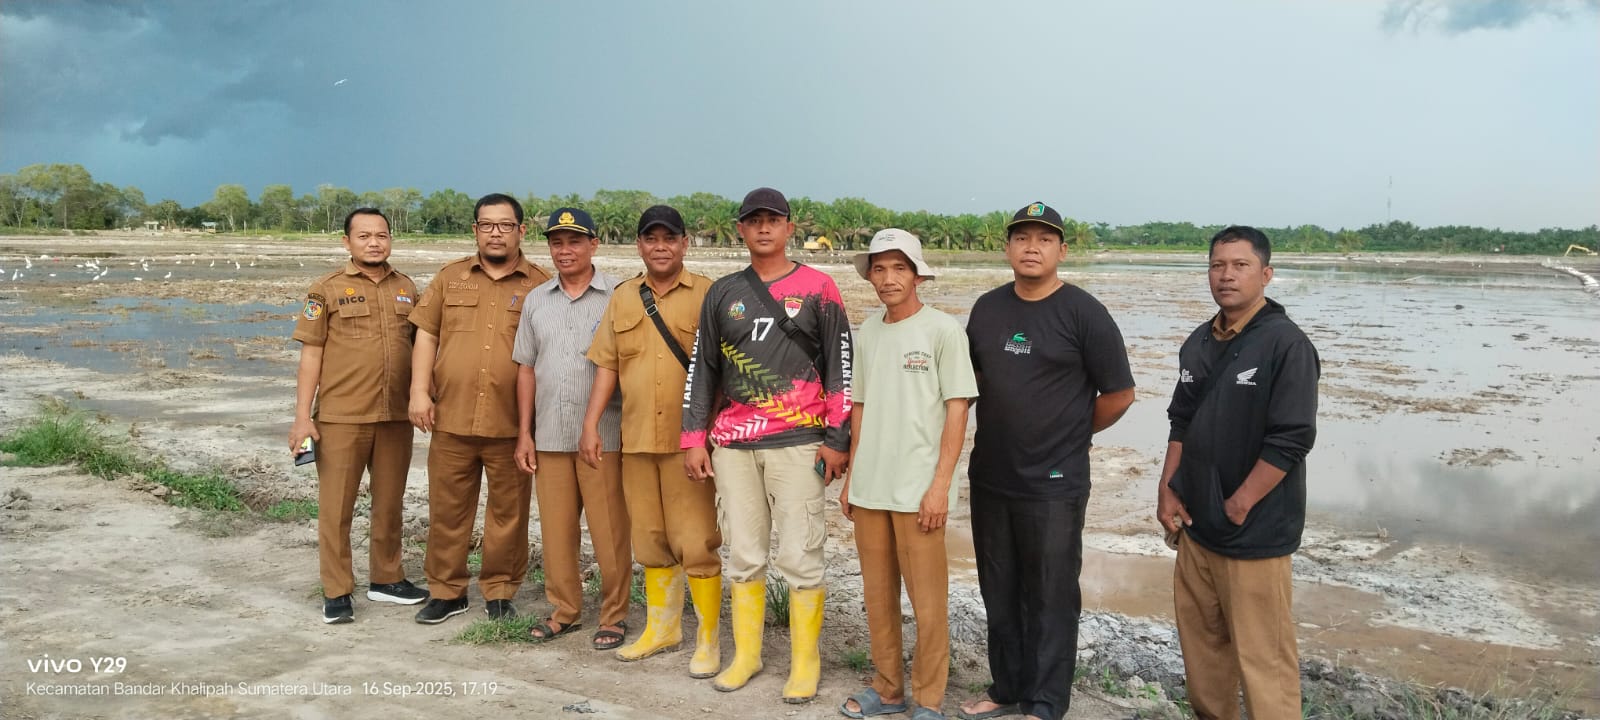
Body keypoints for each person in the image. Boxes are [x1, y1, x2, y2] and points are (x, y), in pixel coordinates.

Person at [957, 202, 1136, 720]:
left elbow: (1120, 394)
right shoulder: (987, 309)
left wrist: (1071, 433)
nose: (1031, 247)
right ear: (1007, 246)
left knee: (1051, 594)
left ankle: (1046, 702)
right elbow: (970, 387)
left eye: (1044, 238)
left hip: (1055, 483)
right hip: (991, 476)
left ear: (1061, 249)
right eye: (1022, 237)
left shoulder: (1084, 312)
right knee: (999, 588)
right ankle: (1007, 687)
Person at [680, 187, 852, 702]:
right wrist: (694, 439)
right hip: (732, 445)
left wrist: (838, 438)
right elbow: (703, 369)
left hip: (800, 443)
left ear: (789, 228)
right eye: (752, 220)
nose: (763, 228)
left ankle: (805, 665)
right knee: (743, 554)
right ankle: (747, 655)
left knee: (801, 554)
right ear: (740, 229)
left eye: (772, 220)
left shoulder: (819, 287)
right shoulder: (722, 292)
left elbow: (842, 368)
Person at [1157, 225, 1319, 720]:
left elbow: (1292, 437)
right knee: (1203, 654)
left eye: (1240, 265)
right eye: (1217, 265)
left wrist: (1241, 502)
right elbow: (1181, 420)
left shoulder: (1286, 345)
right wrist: (1168, 490)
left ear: (1265, 274)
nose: (1226, 275)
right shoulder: (1198, 341)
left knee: (1264, 661)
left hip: (1255, 536)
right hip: (1196, 530)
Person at [839, 229, 977, 720]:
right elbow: (859, 408)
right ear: (870, 276)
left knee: (928, 603)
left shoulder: (943, 331)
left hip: (920, 491)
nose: (889, 278)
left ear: (918, 274)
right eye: (880, 269)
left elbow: (957, 412)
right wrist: (852, 476)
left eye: (900, 268)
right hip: (871, 487)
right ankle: (889, 689)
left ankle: (930, 699)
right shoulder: (868, 331)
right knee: (878, 598)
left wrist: (940, 485)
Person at [581, 205, 723, 672]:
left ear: (684, 243)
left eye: (669, 238)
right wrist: (591, 424)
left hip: (690, 444)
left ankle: (708, 639)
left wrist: (706, 435)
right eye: (651, 238)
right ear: (639, 245)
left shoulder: (709, 294)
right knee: (650, 540)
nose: (660, 246)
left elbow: (723, 373)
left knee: (697, 541)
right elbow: (608, 363)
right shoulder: (623, 297)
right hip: (636, 440)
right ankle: (662, 629)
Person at [406, 193, 551, 624]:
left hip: (512, 425)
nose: (495, 233)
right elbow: (426, 335)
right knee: (448, 510)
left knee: (508, 514)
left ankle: (500, 590)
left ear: (521, 231)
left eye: (505, 225)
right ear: (474, 230)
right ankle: (447, 591)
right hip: (451, 418)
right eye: (486, 225)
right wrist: (418, 390)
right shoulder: (451, 278)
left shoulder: (540, 285)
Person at [289, 207, 428, 624]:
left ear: (391, 239)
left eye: (381, 235)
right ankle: (337, 590)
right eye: (364, 236)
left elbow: (422, 346)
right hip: (341, 416)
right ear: (346, 242)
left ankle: (387, 578)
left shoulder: (406, 287)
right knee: (337, 508)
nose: (374, 243)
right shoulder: (326, 290)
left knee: (390, 502)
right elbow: (310, 355)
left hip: (394, 417)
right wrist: (302, 418)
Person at [511, 207, 632, 650]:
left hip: (605, 436)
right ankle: (565, 610)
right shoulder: (537, 299)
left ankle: (615, 615)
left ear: (594, 245)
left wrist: (597, 424)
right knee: (557, 532)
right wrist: (525, 432)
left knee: (610, 531)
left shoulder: (619, 294)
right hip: (549, 435)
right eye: (557, 242)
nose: (565, 250)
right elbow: (526, 368)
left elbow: (623, 362)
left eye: (575, 241)